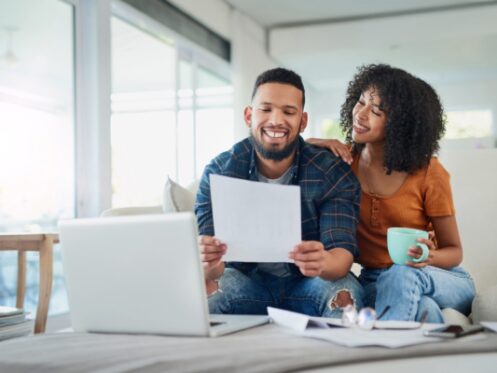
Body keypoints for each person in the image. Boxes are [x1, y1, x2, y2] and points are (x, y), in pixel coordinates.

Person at [308, 64, 475, 323]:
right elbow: (289, 156)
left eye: (376, 110)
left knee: (402, 273)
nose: (361, 114)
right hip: (376, 281)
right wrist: (313, 144)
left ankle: (382, 352)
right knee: (425, 309)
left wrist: (428, 256)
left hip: (438, 275)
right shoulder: (343, 164)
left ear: (401, 125)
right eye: (360, 101)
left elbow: (454, 252)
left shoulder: (429, 172)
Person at [195, 67, 364, 317]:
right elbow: (213, 272)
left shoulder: (331, 172)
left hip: (308, 284)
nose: (276, 120)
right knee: (205, 297)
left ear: (302, 121)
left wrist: (323, 262)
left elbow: (341, 255)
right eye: (265, 109)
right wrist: (208, 262)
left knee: (345, 294)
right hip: (246, 283)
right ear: (248, 116)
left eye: (288, 112)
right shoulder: (218, 172)